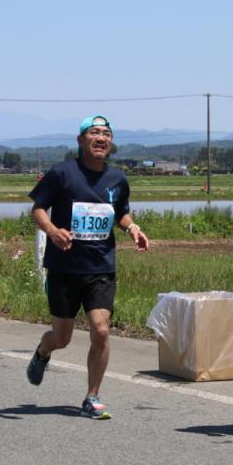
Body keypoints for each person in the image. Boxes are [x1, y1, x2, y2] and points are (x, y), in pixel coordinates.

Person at [24, 115, 149, 419]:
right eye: (94, 132)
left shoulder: (118, 179)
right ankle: (43, 351)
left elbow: (121, 213)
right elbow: (38, 209)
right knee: (62, 338)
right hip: (64, 269)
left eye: (106, 133)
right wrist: (52, 231)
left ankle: (92, 396)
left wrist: (132, 228)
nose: (101, 138)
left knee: (101, 330)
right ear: (81, 140)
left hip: (100, 267)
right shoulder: (62, 173)